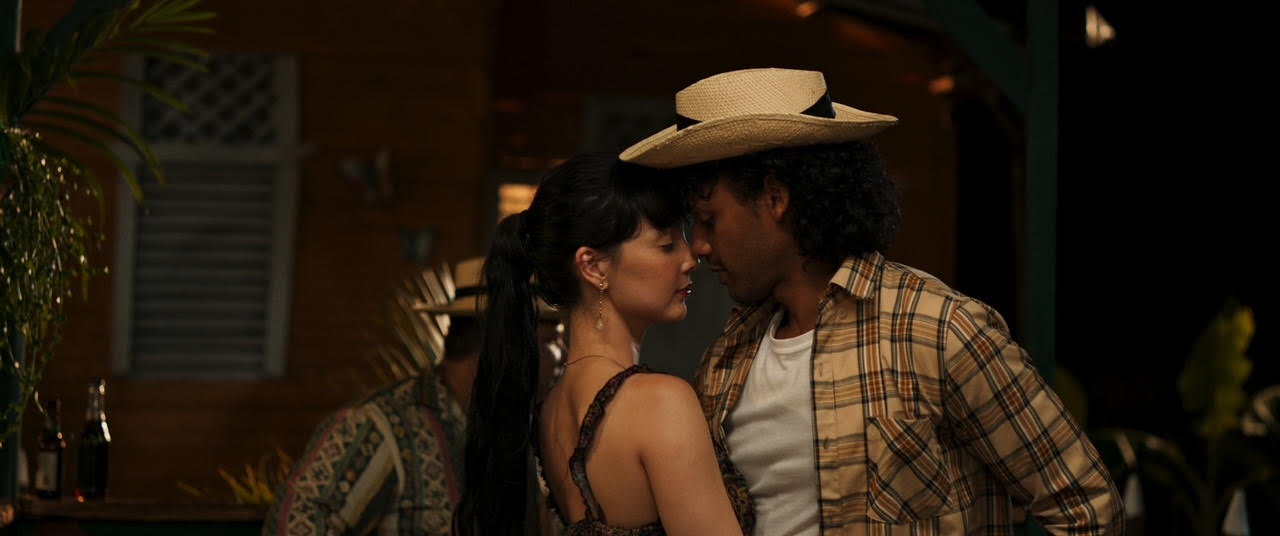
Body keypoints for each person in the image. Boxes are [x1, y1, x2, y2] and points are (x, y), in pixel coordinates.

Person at [620, 67, 1125, 534]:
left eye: (710, 220)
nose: (699, 246)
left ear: (775, 200)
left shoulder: (938, 330)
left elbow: (1087, 509)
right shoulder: (727, 360)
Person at [453, 153, 755, 535]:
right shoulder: (659, 402)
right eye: (666, 245)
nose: (691, 257)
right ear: (593, 267)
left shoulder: (550, 412)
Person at [263, 257, 562, 536]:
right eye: (551, 340)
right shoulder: (380, 427)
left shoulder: (520, 437)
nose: (562, 356)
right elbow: (292, 527)